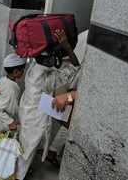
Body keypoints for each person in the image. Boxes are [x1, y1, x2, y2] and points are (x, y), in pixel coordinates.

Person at [16, 29, 86, 179]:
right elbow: (71, 69)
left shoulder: (49, 75)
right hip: (34, 111)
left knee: (29, 148)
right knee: (26, 150)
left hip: (40, 107)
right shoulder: (37, 73)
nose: (58, 59)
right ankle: (18, 175)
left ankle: (50, 152)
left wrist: (66, 46)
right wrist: (64, 48)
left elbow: (74, 69)